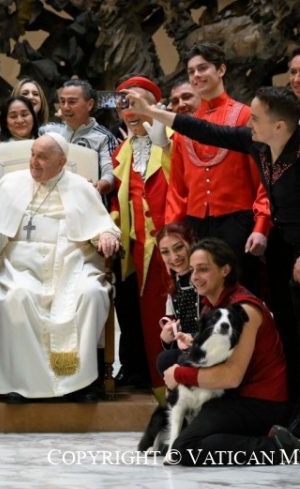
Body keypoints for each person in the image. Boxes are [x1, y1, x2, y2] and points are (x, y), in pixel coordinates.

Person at [123, 84, 300, 401]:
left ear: (279, 126)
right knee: (288, 325)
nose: (248, 122)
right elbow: (204, 130)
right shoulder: (256, 142)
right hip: (281, 247)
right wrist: (151, 112)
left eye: (255, 118)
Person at [0, 133, 120, 402]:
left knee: (91, 294)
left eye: (42, 157)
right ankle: (20, 384)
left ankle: (77, 384)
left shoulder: (81, 188)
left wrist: (107, 235)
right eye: (33, 154)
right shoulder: (13, 183)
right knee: (15, 296)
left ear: (61, 162)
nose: (34, 161)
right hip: (22, 264)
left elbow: (103, 225)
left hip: (72, 262)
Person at [162, 238, 290, 466]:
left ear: (225, 270)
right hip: (232, 394)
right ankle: (217, 436)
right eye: (192, 270)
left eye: (203, 269)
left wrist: (179, 375)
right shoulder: (213, 304)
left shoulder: (244, 309)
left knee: (183, 449)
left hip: (259, 402)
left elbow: (231, 376)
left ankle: (278, 447)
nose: (194, 277)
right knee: (169, 359)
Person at [164, 43, 270, 296]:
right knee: (203, 296)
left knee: (241, 293)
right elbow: (178, 188)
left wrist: (261, 226)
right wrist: (172, 233)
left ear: (221, 70)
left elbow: (263, 181)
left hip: (238, 222)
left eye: (203, 68)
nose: (196, 75)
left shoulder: (245, 116)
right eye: (191, 71)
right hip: (197, 225)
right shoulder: (185, 126)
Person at [109, 75, 171, 401]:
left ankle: (181, 389)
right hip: (138, 250)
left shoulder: (173, 140)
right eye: (124, 105)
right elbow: (119, 202)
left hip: (174, 246)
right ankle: (157, 387)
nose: (129, 112)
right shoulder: (122, 151)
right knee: (147, 318)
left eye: (136, 103)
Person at [41, 79, 117, 196]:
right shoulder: (49, 131)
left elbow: (110, 173)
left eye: (72, 102)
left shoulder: (104, 137)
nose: (65, 107)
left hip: (87, 198)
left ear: (90, 104)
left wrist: (99, 185)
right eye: (62, 101)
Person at [156, 223, 199, 375]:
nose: (174, 257)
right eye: (165, 252)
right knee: (165, 359)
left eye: (179, 248)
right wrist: (166, 338)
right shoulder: (174, 288)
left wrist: (193, 339)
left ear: (191, 243)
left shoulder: (205, 280)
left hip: (209, 347)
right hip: (187, 350)